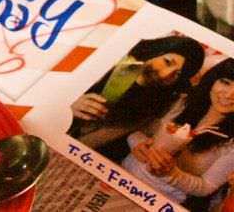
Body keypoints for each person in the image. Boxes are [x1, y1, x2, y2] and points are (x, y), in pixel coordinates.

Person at [67, 35, 205, 160]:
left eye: (177, 74)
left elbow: (95, 140)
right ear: (157, 51)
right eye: (167, 62)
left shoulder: (155, 103)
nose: (165, 74)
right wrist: (68, 103)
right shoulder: (118, 61)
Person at [122, 58, 234, 206]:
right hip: (122, 173)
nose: (229, 95)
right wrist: (138, 143)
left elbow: (206, 187)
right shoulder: (182, 102)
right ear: (213, 80)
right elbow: (139, 131)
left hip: (155, 200)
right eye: (225, 82)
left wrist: (170, 174)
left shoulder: (231, 143)